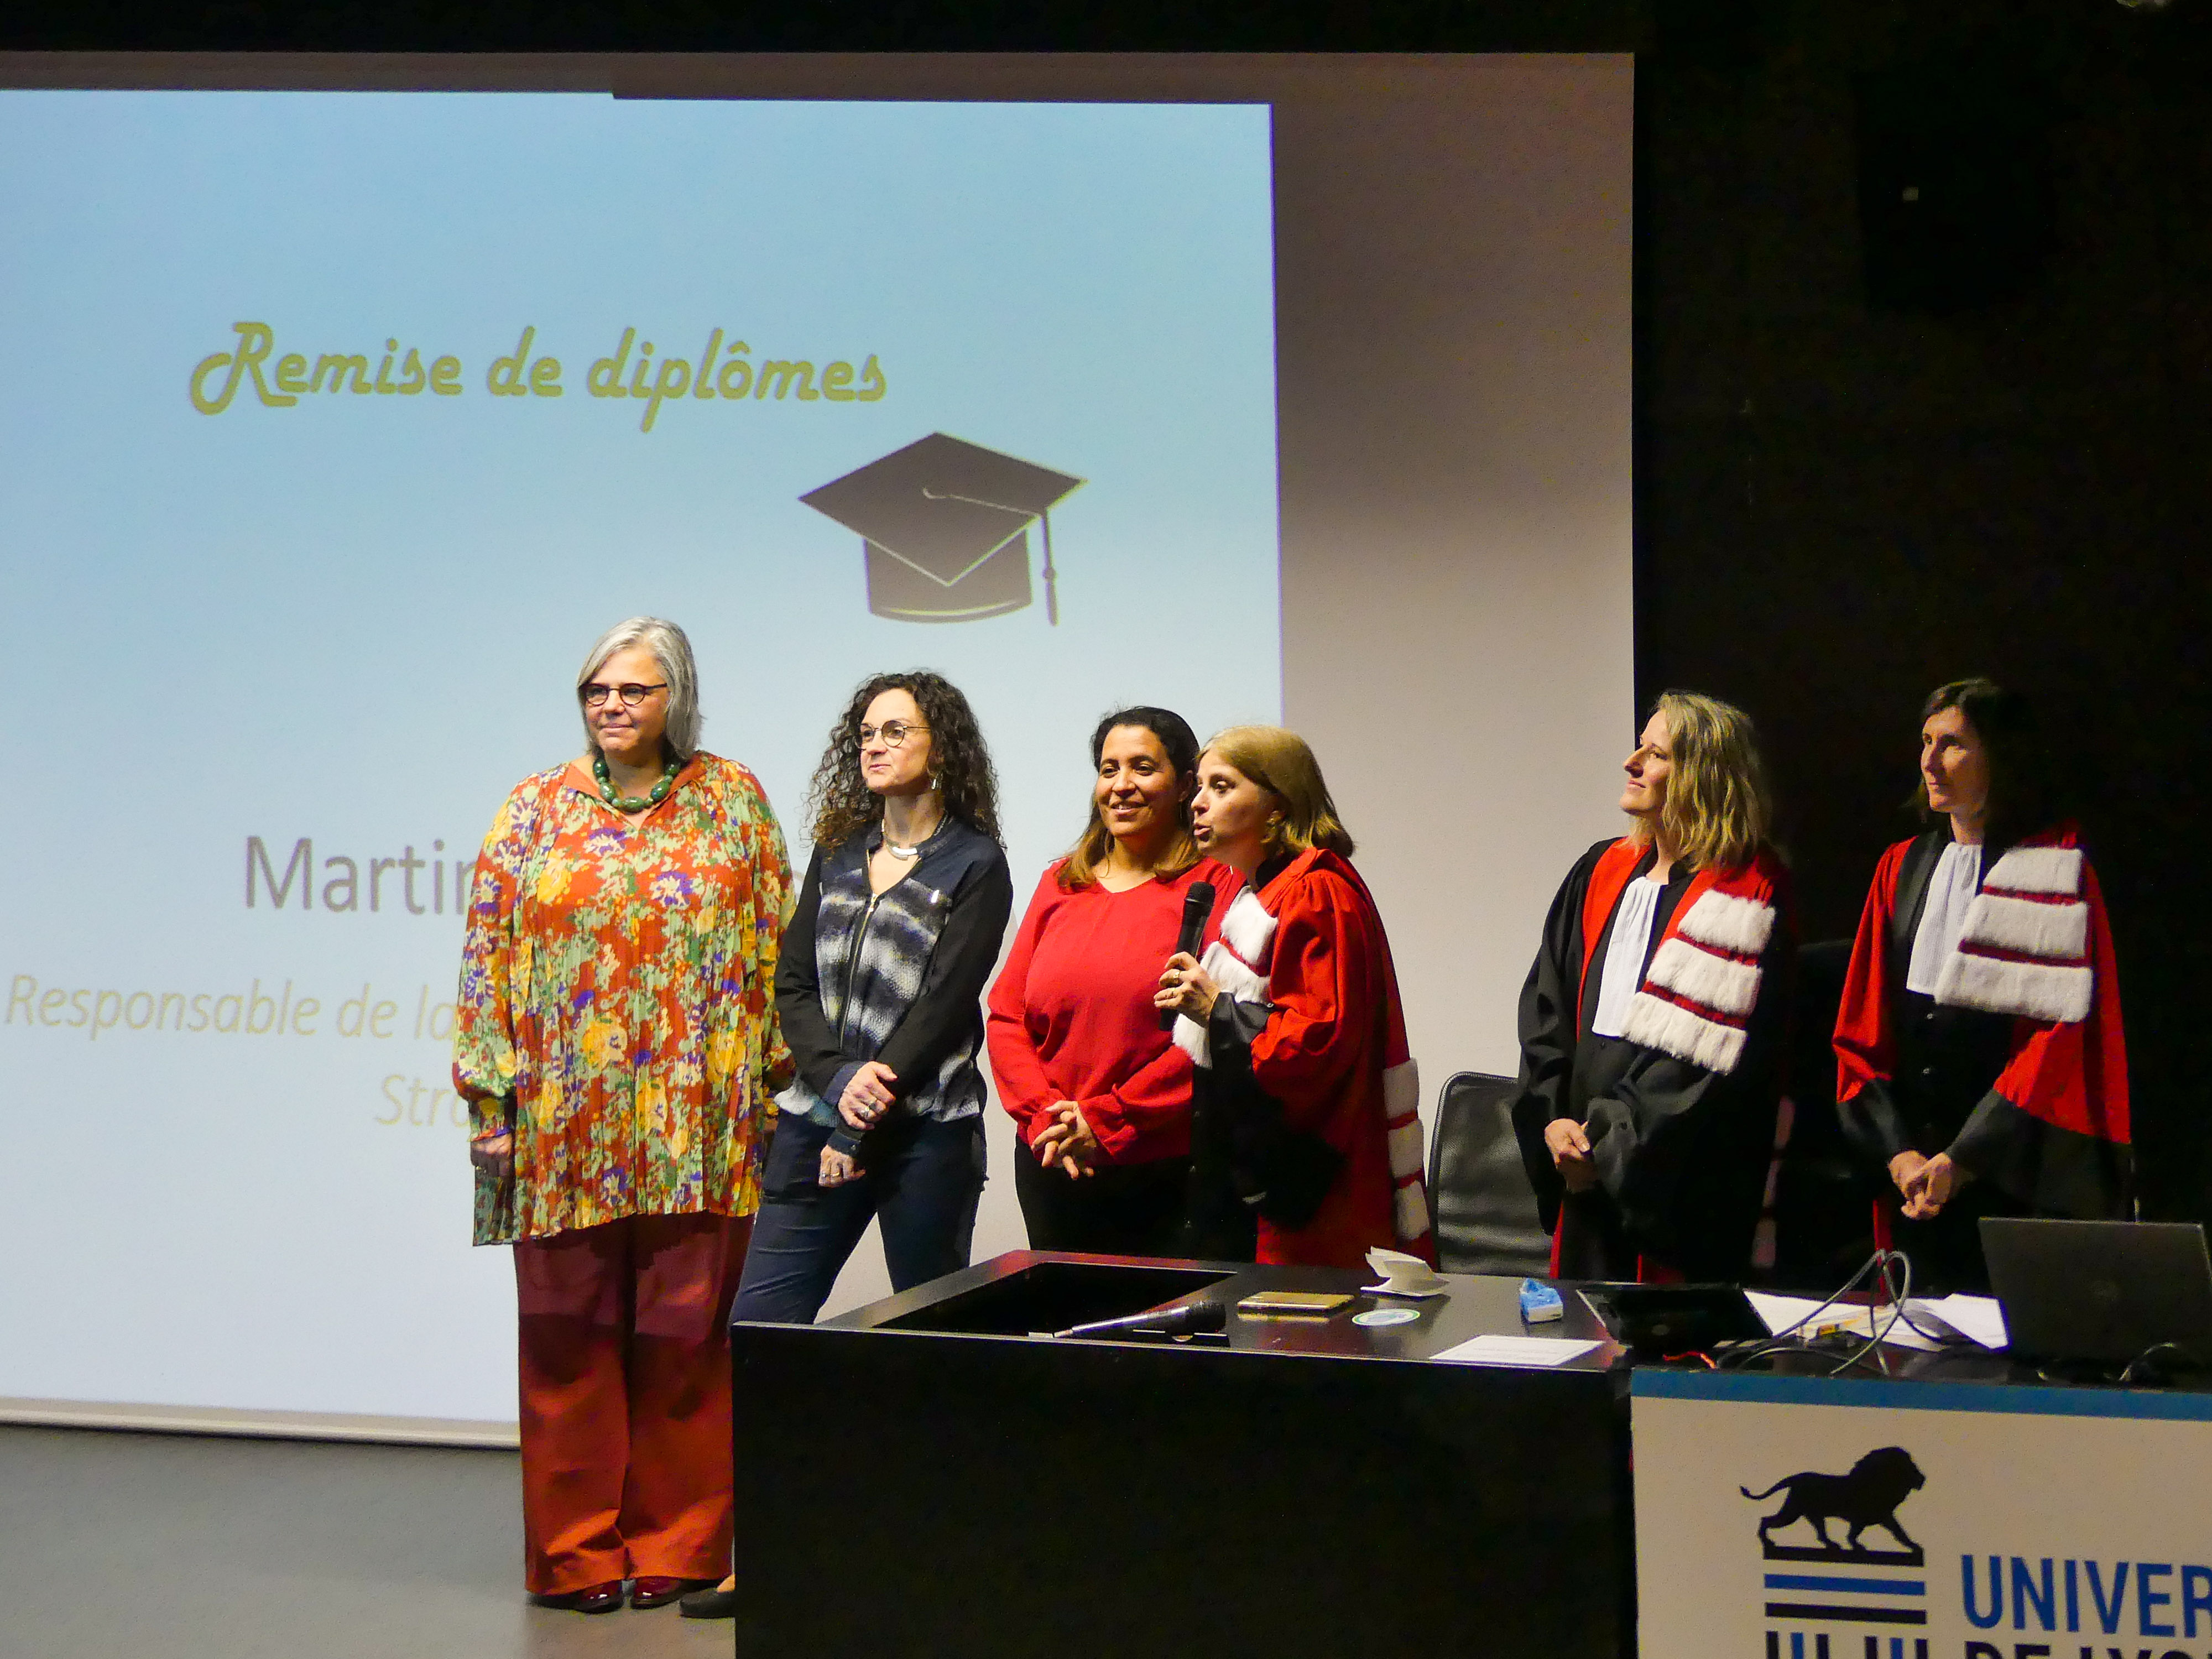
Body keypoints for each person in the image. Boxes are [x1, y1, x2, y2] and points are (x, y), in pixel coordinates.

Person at [453, 617, 792, 1615]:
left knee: (691, 1343)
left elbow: (779, 952)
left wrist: (777, 1092)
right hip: (563, 1125)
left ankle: (679, 1549)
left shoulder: (733, 801)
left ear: (675, 699)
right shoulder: (532, 809)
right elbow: (485, 958)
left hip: (705, 1121)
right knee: (566, 1343)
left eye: (635, 690)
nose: (613, 706)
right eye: (598, 690)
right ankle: (576, 1557)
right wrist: (489, 1096)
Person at [676, 671, 1011, 1624]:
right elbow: (790, 986)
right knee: (763, 1335)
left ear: (939, 746)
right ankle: (768, 1555)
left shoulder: (974, 863)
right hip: (817, 1121)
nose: (872, 745)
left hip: (924, 1138)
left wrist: (874, 1096)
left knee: (932, 1347)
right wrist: (833, 1084)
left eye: (894, 730)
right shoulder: (835, 851)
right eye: (864, 731)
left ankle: (933, 1555)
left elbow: (948, 1001)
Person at [1832, 678, 2130, 1292]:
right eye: (1925, 741)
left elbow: (2056, 1039)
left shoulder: (2051, 863)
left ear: (2000, 754)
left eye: (1953, 744)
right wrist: (1899, 1156)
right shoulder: (1901, 866)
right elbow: (1860, 1030)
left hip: (2014, 1176)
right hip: (1914, 1181)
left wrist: (1963, 1159)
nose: (1929, 761)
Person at [1508, 692, 1795, 1284]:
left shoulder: (1744, 893)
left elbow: (1696, 1063)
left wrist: (1608, 1148)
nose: (1631, 762)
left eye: (1655, 753)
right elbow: (1546, 1009)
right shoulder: (1600, 871)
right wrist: (1554, 1119)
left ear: (1702, 777)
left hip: (1673, 1189)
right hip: (1582, 1168)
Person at [1155, 727, 1434, 1267]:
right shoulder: (1256, 889)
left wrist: (1217, 1008)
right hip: (1251, 1175)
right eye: (1199, 787)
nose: (1197, 802)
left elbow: (1316, 1040)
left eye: (1222, 785)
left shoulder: (1315, 890)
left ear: (1277, 807)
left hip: (1314, 1188)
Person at [987, 707, 1237, 1255]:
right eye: (1108, 769)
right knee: (1065, 1334)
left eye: (1142, 767)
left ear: (1184, 785)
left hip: (1165, 1170)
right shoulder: (1060, 882)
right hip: (1054, 1158)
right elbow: (1007, 1016)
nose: (1121, 785)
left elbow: (1209, 1035)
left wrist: (1105, 1120)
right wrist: (1046, 1116)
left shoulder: (1216, 883)